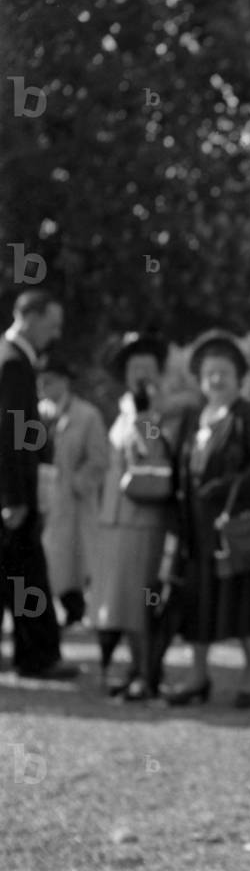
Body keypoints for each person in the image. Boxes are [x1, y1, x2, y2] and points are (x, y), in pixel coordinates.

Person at [163, 329, 250, 707]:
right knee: (196, 599)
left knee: (244, 598)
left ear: (238, 376)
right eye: (209, 372)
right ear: (199, 378)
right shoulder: (191, 417)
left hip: (235, 525)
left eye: (223, 372)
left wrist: (231, 483)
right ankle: (199, 676)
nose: (215, 379)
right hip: (196, 527)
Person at [90, 331, 183, 699]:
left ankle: (148, 674)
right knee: (122, 602)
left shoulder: (163, 410)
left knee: (141, 600)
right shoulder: (125, 406)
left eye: (146, 367)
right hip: (115, 519)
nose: (139, 374)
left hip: (143, 519)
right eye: (133, 367)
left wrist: (147, 413)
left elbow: (156, 451)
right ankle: (134, 668)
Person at [0, 289, 78, 679]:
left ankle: (35, 654)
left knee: (19, 574)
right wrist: (14, 497)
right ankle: (38, 656)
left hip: (13, 492)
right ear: (29, 316)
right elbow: (12, 433)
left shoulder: (10, 358)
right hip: (13, 496)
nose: (56, 333)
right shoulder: (13, 363)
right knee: (27, 573)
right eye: (52, 323)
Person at [36, 353, 107, 629]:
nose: (43, 387)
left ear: (64, 382)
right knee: (46, 555)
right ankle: (39, 611)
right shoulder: (36, 413)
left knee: (72, 559)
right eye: (40, 382)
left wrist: (79, 483)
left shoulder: (87, 415)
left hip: (73, 499)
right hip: (43, 496)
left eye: (49, 381)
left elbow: (99, 459)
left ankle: (74, 610)